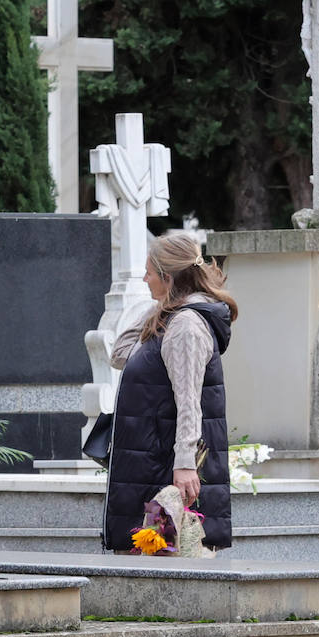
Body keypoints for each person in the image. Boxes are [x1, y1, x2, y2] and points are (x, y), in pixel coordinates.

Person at [103, 231, 238, 554]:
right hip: (150, 462)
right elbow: (120, 352)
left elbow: (189, 401)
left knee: (167, 558)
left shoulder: (186, 327)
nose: (145, 279)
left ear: (166, 277)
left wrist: (185, 464)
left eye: (150, 272)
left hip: (164, 466)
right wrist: (161, 307)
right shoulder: (172, 319)